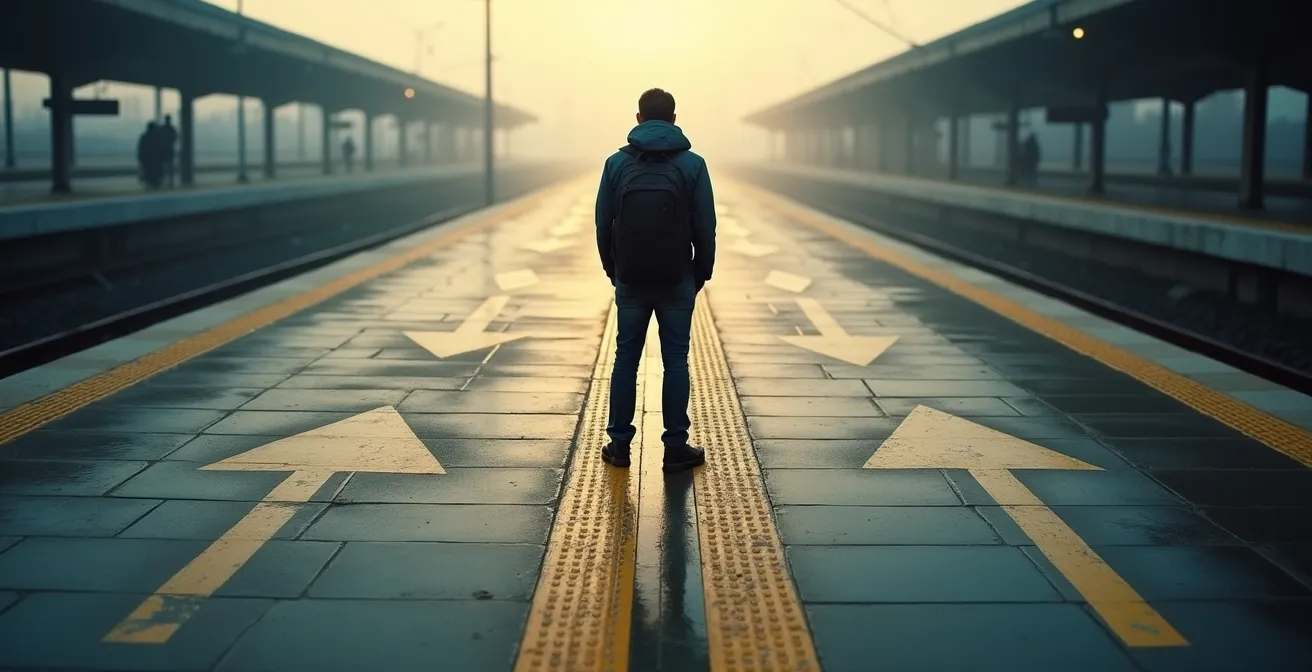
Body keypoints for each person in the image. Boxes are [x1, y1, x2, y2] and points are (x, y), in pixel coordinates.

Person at [595, 88, 716, 474]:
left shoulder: (616, 164)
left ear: (638, 119)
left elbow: (602, 223)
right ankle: (675, 447)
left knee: (625, 358)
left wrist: (613, 269)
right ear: (674, 120)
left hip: (630, 276)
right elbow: (706, 227)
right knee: (676, 360)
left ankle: (619, 445)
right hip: (677, 276)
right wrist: (700, 273)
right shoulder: (693, 165)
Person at [137, 121, 162, 189]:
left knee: (149, 178)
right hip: (154, 161)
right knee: (155, 178)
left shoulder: (144, 137)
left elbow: (141, 150)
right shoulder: (157, 137)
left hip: (148, 161)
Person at [159, 115, 178, 187]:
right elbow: (175, 138)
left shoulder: (162, 129)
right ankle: (170, 181)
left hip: (163, 150)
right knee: (170, 166)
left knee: (164, 166)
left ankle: (164, 180)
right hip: (169, 150)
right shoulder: (172, 129)